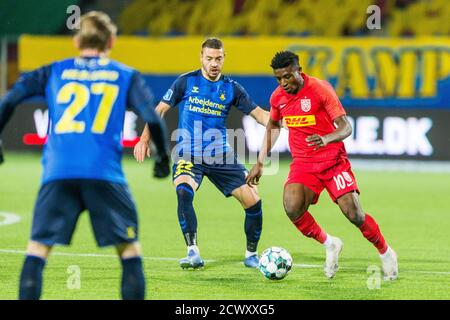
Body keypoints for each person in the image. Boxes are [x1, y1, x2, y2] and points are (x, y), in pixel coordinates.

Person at [0, 11, 170, 300]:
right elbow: (153, 119)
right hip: (104, 174)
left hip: (58, 173)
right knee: (129, 251)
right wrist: (163, 158)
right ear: (112, 41)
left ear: (76, 40)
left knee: (38, 249)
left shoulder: (53, 70)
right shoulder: (124, 75)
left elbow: (9, 99)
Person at [246, 51, 398, 280]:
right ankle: (330, 243)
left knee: (354, 213)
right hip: (304, 164)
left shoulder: (320, 89)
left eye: (287, 76)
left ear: (299, 70)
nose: (283, 83)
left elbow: (346, 127)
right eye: (278, 79)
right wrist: (259, 162)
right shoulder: (278, 97)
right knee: (292, 206)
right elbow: (273, 127)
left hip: (333, 161)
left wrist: (326, 138)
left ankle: (386, 252)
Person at [134, 38, 270, 269]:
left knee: (253, 203)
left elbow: (260, 115)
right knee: (184, 191)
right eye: (209, 59)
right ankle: (193, 252)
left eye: (218, 58)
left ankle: (251, 255)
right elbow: (159, 109)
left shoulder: (232, 88)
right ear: (201, 57)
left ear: (224, 57)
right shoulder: (185, 82)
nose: (214, 63)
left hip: (221, 155)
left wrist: (287, 121)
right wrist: (144, 138)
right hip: (188, 153)